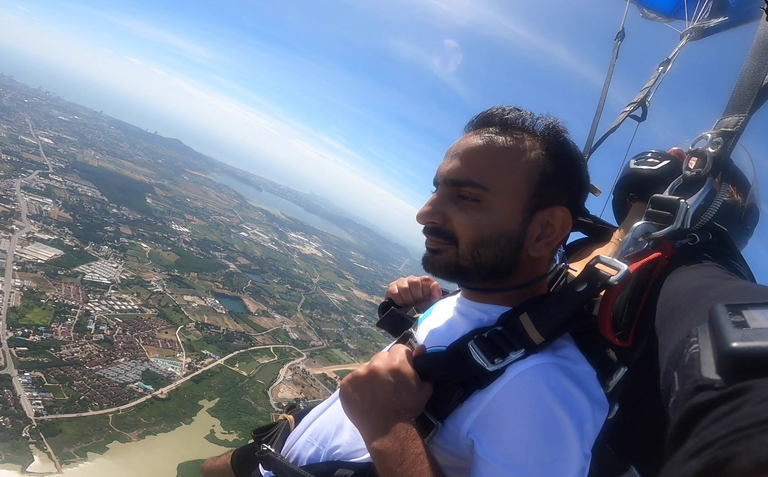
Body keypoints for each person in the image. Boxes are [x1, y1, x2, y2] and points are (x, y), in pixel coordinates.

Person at [201, 106, 608, 477]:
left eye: (466, 197)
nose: (425, 213)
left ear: (545, 231)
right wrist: (433, 310)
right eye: (437, 190)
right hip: (275, 453)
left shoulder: (546, 392)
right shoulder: (467, 306)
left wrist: (390, 430)